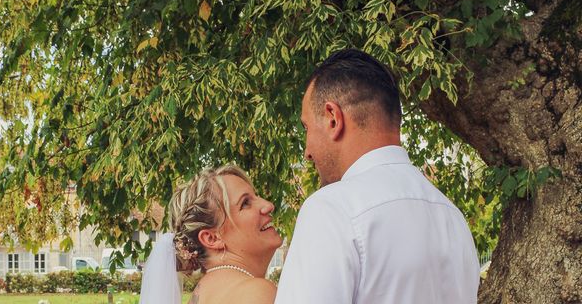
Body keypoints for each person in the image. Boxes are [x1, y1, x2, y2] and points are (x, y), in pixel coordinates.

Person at [275, 49, 480, 304]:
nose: (307, 151)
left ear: (332, 119)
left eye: (306, 128)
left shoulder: (331, 210)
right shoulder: (452, 217)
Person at [140, 165, 281, 304]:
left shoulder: (201, 296)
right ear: (211, 238)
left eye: (256, 196)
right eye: (245, 203)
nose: (268, 205)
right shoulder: (256, 292)